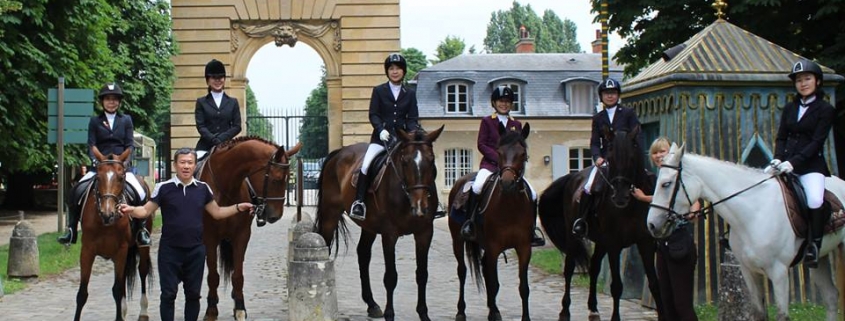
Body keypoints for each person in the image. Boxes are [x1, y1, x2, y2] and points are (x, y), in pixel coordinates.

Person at [119, 147, 255, 321]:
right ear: (175, 165)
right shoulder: (164, 188)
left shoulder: (203, 189)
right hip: (170, 251)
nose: (186, 166)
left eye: (190, 163)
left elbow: (217, 212)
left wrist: (238, 207)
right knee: (168, 294)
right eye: (182, 162)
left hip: (195, 251)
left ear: (195, 165)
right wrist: (130, 209)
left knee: (193, 295)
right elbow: (145, 211)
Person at [58, 82, 151, 247]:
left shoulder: (126, 120)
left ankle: (141, 229)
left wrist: (124, 163)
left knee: (140, 192)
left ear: (119, 102)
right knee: (76, 191)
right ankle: (71, 230)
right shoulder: (95, 121)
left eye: (115, 99)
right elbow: (91, 144)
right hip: (100, 167)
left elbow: (129, 145)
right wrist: (96, 161)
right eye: (108, 99)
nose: (111, 102)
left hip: (120, 167)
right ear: (102, 102)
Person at [765, 59, 835, 268]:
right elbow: (782, 136)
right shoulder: (789, 107)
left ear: (817, 81)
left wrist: (793, 163)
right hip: (785, 162)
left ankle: (814, 245)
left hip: (811, 166)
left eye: (807, 79)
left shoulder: (825, 109)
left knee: (814, 199)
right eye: (799, 80)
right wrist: (778, 158)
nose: (803, 83)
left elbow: (816, 142)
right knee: (759, 186)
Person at [460, 85, 545, 247]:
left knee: (533, 194)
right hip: (490, 166)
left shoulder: (517, 124)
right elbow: (482, 144)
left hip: (511, 169)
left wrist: (510, 163)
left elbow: (520, 147)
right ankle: (470, 224)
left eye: (507, 101)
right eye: (500, 101)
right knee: (477, 187)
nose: (503, 104)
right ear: (494, 103)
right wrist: (499, 160)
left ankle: (531, 230)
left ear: (511, 104)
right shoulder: (487, 121)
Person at [632, 137, 699, 321]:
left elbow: (694, 200)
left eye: (663, 151)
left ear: (671, 153)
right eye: (655, 152)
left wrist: (692, 212)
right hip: (663, 245)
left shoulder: (679, 175)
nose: (659, 155)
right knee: (666, 303)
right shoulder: (659, 176)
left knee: (682, 306)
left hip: (680, 244)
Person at [349, 53, 422, 220]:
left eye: (398, 68)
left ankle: (433, 201)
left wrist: (411, 133)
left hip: (402, 140)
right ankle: (359, 202)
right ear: (387, 71)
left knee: (421, 161)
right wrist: (380, 128)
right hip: (381, 139)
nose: (395, 71)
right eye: (391, 68)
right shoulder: (379, 91)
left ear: (403, 71)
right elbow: (374, 114)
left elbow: (412, 118)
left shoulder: (409, 93)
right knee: (366, 165)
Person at [572, 78, 643, 238]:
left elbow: (637, 136)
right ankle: (581, 221)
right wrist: (597, 157)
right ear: (601, 96)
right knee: (589, 186)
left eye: (613, 93)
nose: (610, 96)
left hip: (625, 159)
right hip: (606, 160)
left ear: (618, 95)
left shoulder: (628, 113)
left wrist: (636, 156)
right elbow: (595, 142)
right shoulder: (598, 118)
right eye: (606, 93)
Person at [195, 59, 242, 160]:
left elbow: (237, 126)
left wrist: (222, 138)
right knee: (194, 168)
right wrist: (213, 139)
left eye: (220, 77)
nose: (217, 80)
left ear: (224, 79)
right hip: (205, 145)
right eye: (214, 77)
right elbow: (201, 126)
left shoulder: (233, 102)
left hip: (227, 145)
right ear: (208, 80)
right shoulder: (201, 102)